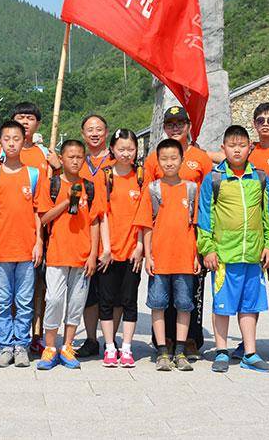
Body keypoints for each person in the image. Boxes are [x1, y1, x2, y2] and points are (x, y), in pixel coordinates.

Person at [197, 125, 269, 373]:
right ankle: (221, 351)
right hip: (224, 255)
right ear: (223, 148)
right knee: (222, 305)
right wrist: (208, 248)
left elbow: (268, 214)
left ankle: (250, 353)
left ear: (250, 148)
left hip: (253, 254)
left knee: (250, 305)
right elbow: (205, 216)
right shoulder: (214, 179)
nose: (237, 150)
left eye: (242, 145)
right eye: (232, 146)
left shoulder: (260, 178)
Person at [0, 101, 56, 355]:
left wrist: (39, 242)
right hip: (1, 249)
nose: (12, 143)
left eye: (17, 138)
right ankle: (6, 345)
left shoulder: (35, 170)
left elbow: (40, 211)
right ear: (1, 142)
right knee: (2, 300)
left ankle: (23, 343)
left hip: (28, 248)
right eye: (7, 139)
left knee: (26, 300)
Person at [143, 105, 213, 359]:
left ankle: (191, 339)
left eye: (180, 123)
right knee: (162, 296)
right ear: (164, 127)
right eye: (170, 124)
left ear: (188, 126)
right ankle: (165, 341)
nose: (175, 128)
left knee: (191, 293)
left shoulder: (201, 157)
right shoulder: (154, 158)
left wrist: (203, 244)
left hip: (189, 238)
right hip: (162, 240)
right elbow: (148, 198)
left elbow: (207, 197)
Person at [35, 140, 105, 370]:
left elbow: (94, 222)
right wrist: (66, 201)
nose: (75, 161)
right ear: (61, 159)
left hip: (83, 255)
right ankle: (49, 347)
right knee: (54, 299)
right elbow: (43, 218)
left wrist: (93, 254)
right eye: (70, 157)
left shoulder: (90, 187)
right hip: (57, 253)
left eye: (79, 157)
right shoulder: (52, 184)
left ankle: (67, 346)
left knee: (76, 302)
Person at [135, 139, 199, 372]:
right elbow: (147, 226)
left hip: (184, 258)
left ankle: (180, 351)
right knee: (158, 304)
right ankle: (162, 350)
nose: (169, 163)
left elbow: (196, 226)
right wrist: (148, 256)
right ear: (158, 162)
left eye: (174, 158)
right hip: (160, 259)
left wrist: (196, 256)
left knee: (184, 305)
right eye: (164, 159)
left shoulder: (191, 189)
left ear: (182, 160)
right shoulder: (153, 189)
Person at [96, 129, 143, 368]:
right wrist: (106, 248)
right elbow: (102, 214)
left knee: (129, 301)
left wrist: (140, 246)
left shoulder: (141, 176)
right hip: (109, 251)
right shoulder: (105, 176)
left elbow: (145, 215)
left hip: (133, 250)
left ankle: (126, 348)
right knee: (106, 301)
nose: (126, 153)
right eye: (121, 149)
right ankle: (109, 347)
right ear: (112, 150)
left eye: (130, 149)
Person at [75, 114, 114, 358]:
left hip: (113, 235)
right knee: (87, 294)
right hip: (84, 235)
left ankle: (111, 339)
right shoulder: (78, 161)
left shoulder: (117, 160)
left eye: (99, 129)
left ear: (106, 132)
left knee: (111, 293)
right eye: (90, 129)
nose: (95, 133)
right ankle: (91, 339)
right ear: (83, 134)